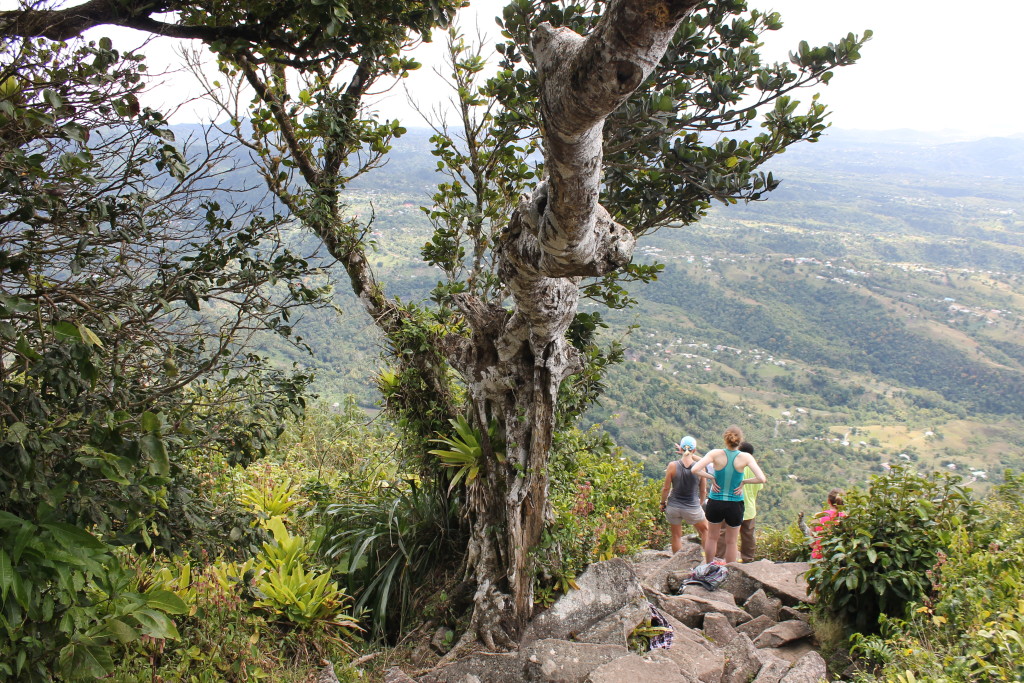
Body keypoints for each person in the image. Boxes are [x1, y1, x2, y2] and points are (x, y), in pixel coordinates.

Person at [690, 425, 767, 565]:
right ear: (740, 440)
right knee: (732, 541)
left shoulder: (715, 454)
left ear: (725, 439)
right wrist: (744, 482)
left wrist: (711, 477)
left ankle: (709, 566)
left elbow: (695, 469)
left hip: (716, 501)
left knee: (712, 538)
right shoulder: (745, 457)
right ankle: (731, 570)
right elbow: (761, 478)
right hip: (735, 503)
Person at [715, 441, 762, 563]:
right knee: (748, 535)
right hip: (749, 508)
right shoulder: (755, 469)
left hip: (732, 505)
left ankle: (720, 558)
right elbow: (758, 487)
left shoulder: (735, 466)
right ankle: (748, 559)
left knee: (725, 533)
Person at [660, 436, 709, 552]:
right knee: (706, 530)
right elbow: (703, 491)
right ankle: (707, 561)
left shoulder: (672, 466)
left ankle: (677, 564)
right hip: (692, 507)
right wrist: (700, 504)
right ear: (694, 450)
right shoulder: (700, 467)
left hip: (673, 507)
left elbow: (666, 488)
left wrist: (662, 503)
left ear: (681, 449)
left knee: (676, 536)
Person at [810, 488, 846, 560]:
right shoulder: (846, 518)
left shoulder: (818, 517)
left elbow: (811, 543)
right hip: (838, 558)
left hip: (818, 557)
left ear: (828, 501)